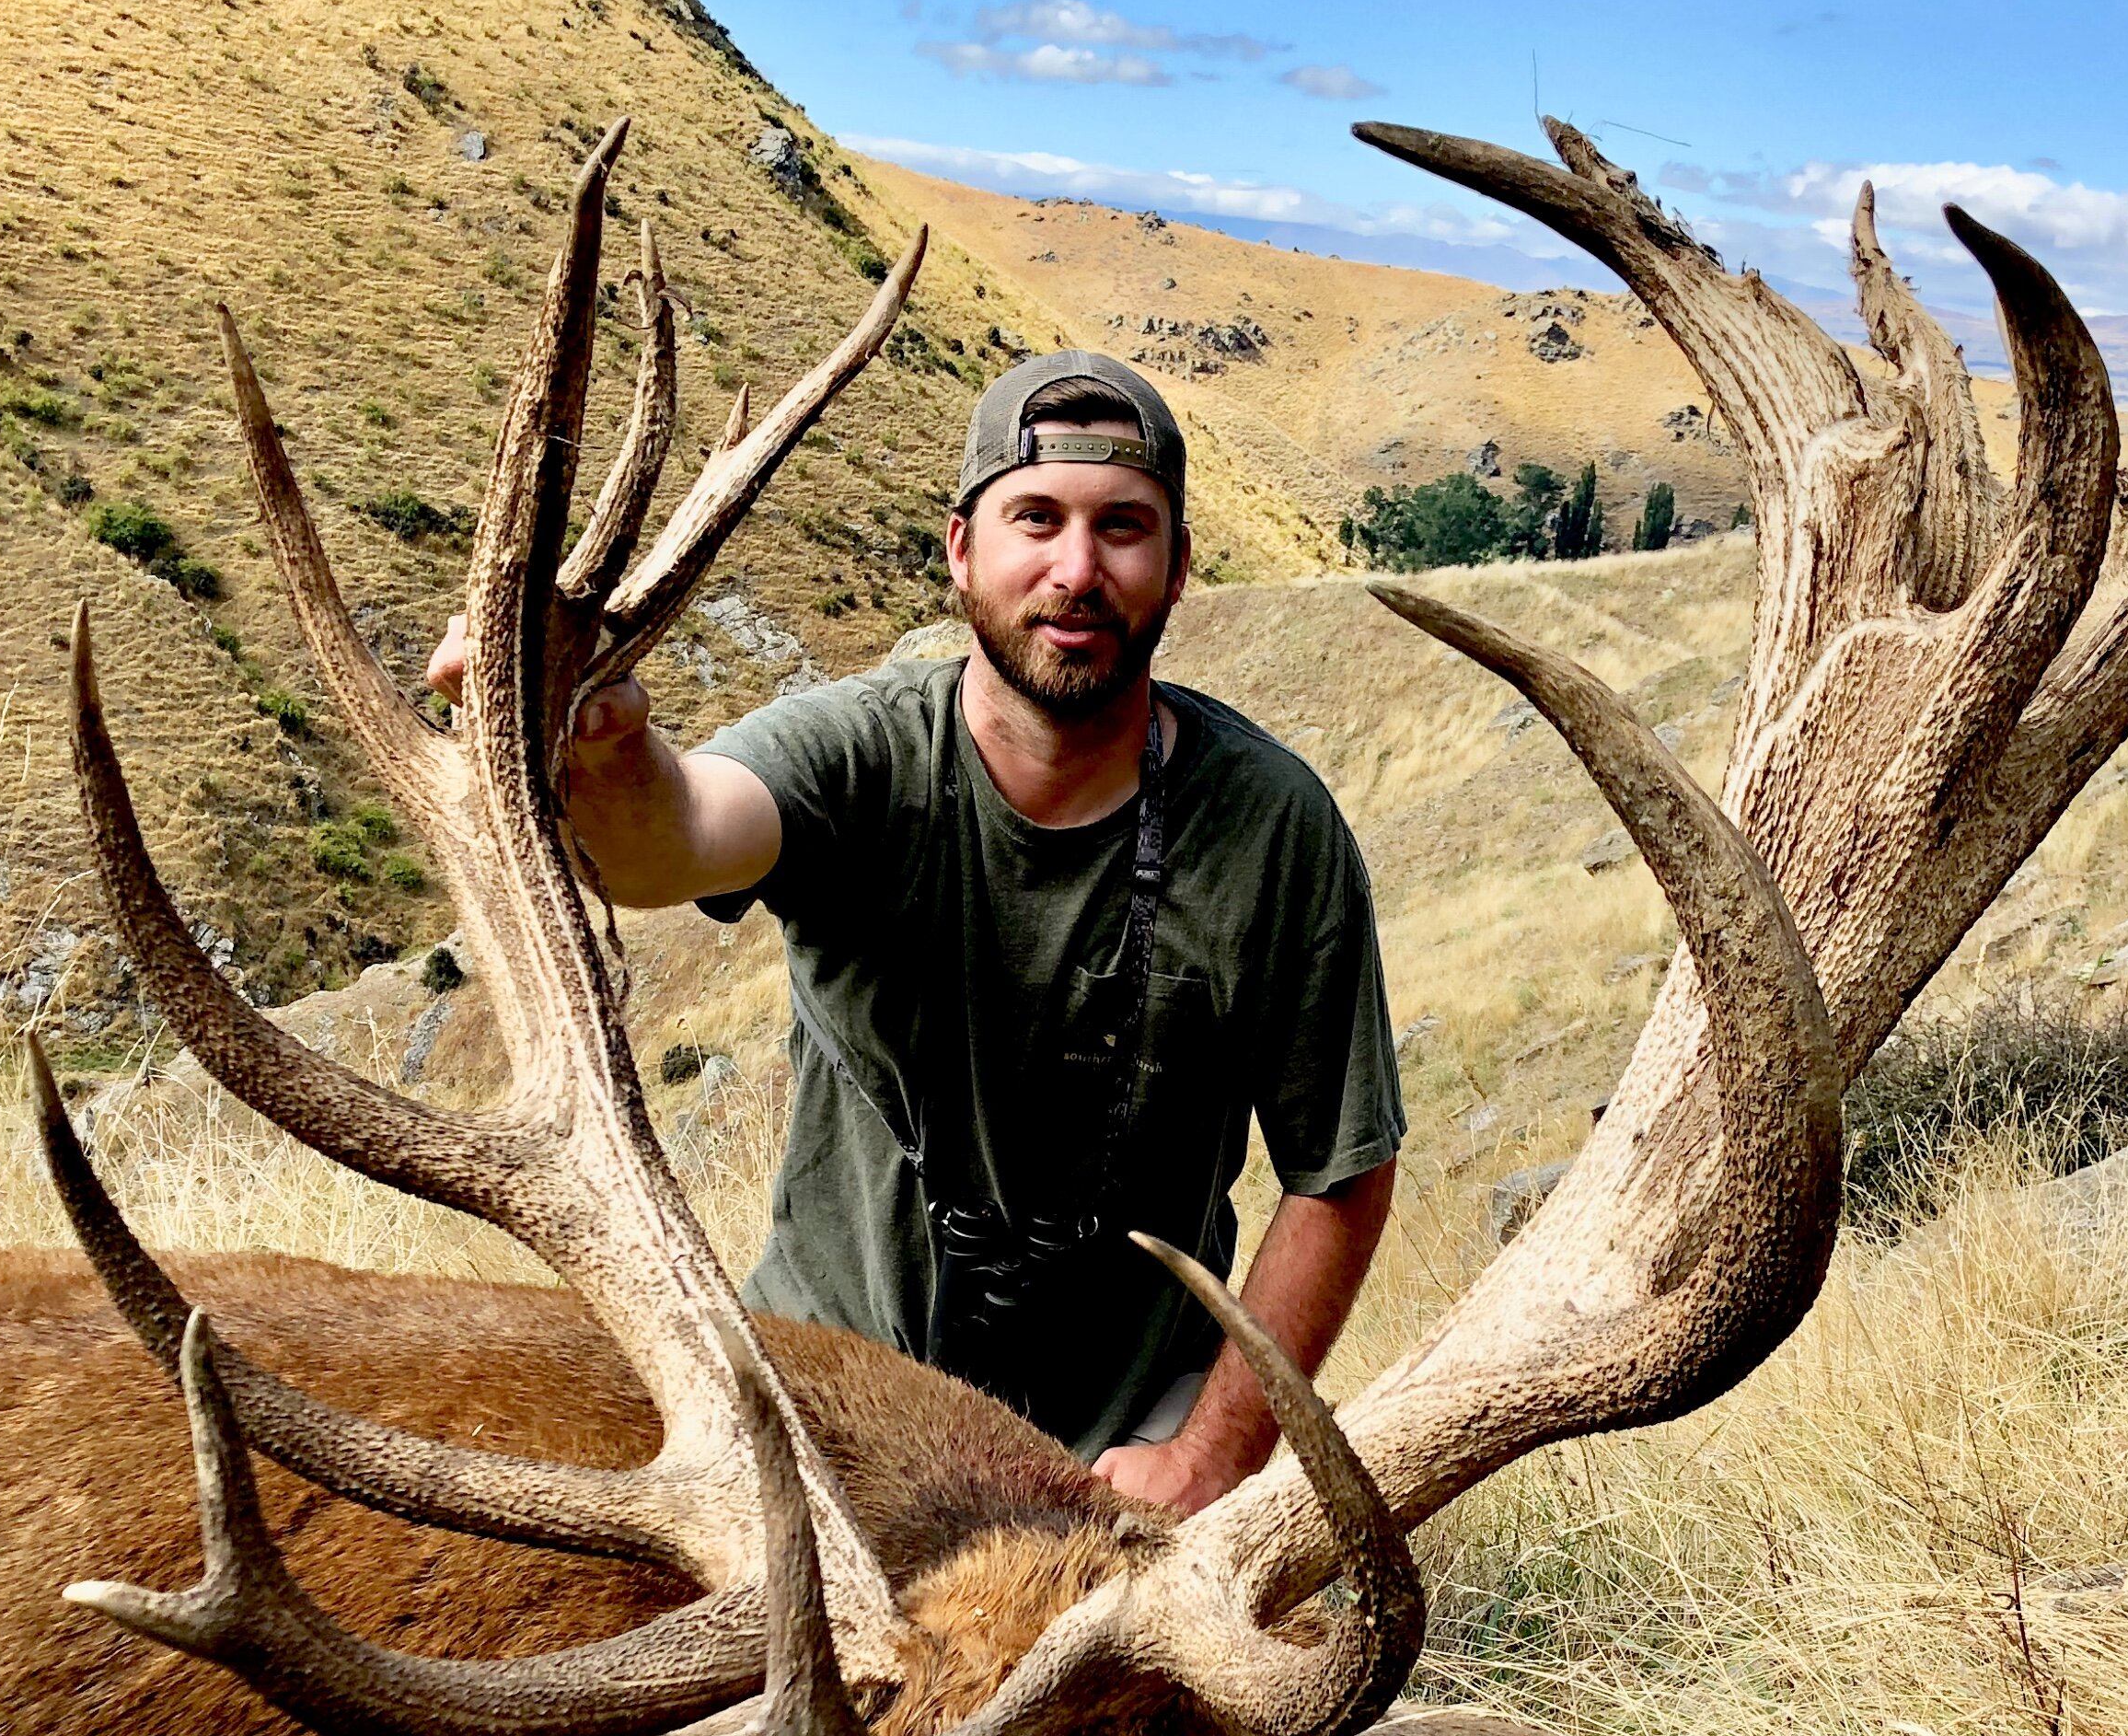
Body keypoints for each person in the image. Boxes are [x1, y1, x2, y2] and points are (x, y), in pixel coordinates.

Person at [427, 351, 1403, 1513]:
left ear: (1181, 565)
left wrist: (1208, 1457)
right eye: (1033, 519)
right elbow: (674, 839)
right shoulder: (858, 756)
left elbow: (1340, 1175)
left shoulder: (1272, 828)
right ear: (960, 550)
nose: (1077, 571)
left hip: (1121, 1452)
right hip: (827, 1397)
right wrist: (603, 743)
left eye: (1124, 530)